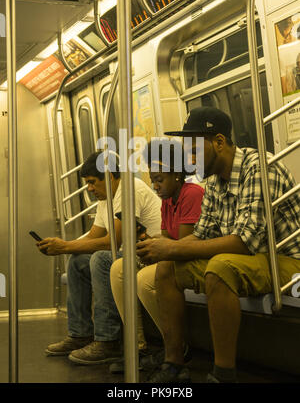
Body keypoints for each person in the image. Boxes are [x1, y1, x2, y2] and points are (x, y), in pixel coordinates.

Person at [135, 106, 300, 383]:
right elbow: (202, 233)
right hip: (251, 259)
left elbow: (243, 242)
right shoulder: (214, 182)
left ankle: (224, 374)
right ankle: (174, 361)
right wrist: (161, 250)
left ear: (219, 142)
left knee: (220, 267)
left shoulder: (259, 167)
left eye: (194, 150)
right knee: (167, 269)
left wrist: (173, 247)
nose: (189, 158)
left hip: (286, 259)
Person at [42, 151, 161, 365]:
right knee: (78, 261)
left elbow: (112, 242)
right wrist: (62, 246)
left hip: (151, 254)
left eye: (91, 183)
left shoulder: (129, 189)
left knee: (101, 259)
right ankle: (80, 334)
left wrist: (65, 246)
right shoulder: (106, 198)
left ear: (109, 176)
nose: (89, 188)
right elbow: (94, 236)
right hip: (129, 254)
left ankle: (108, 341)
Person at [109, 138, 204, 373]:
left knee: (143, 279)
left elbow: (182, 245)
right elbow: (165, 238)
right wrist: (147, 244)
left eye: (160, 180)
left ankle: (175, 346)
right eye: (153, 181)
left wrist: (157, 247)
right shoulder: (167, 199)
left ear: (177, 175)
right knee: (119, 269)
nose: (155, 186)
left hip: (189, 256)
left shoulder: (191, 194)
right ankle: (138, 346)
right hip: (173, 253)